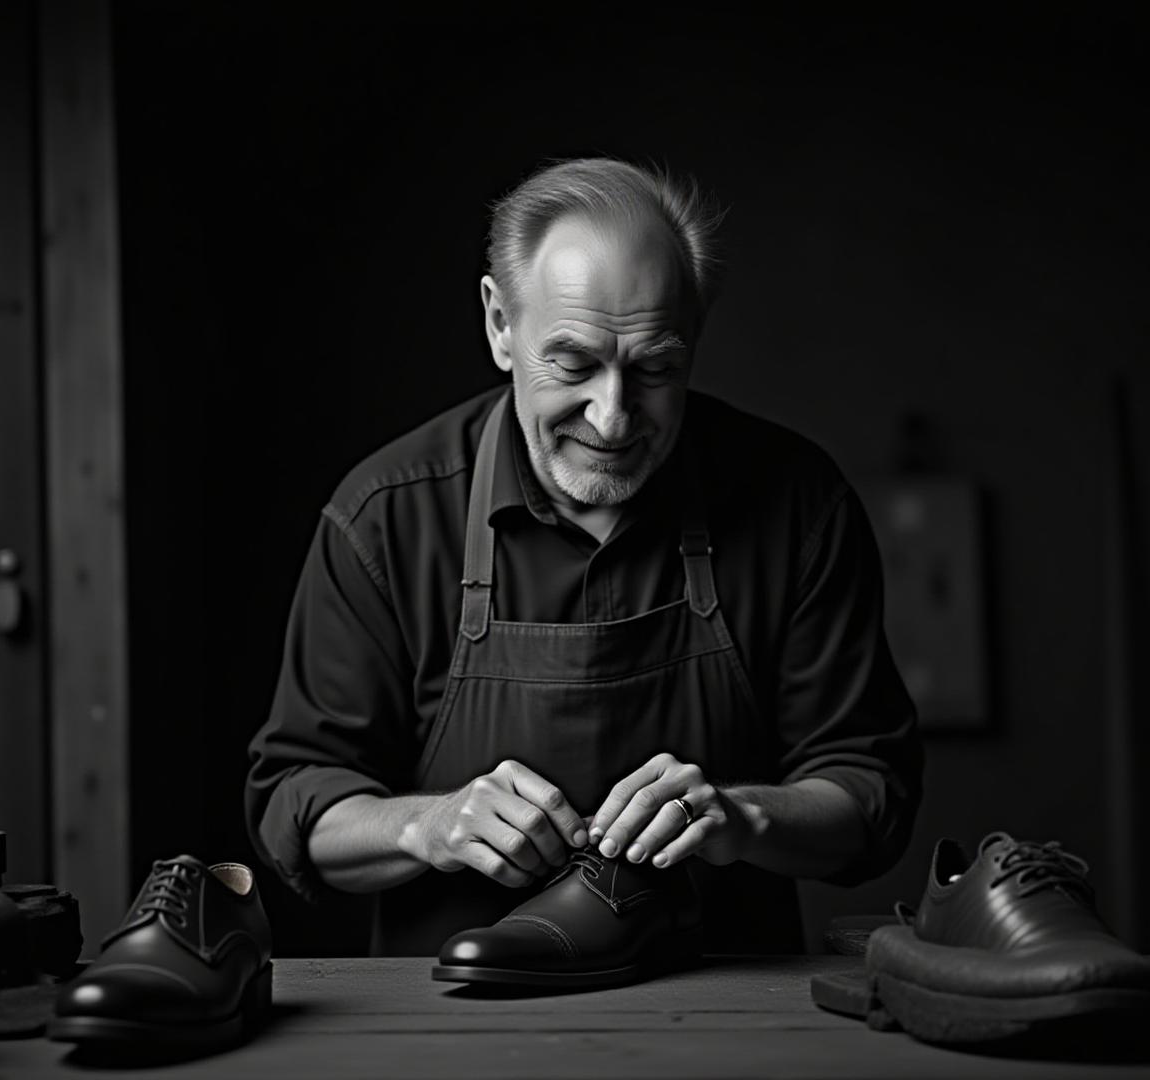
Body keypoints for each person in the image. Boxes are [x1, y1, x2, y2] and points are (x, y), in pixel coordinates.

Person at [246, 157, 920, 955]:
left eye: (655, 369)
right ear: (501, 325)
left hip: (730, 1020)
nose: (612, 418)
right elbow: (296, 805)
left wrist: (743, 817)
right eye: (572, 364)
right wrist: (427, 824)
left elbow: (870, 796)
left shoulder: (798, 505)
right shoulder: (385, 519)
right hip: (450, 1029)